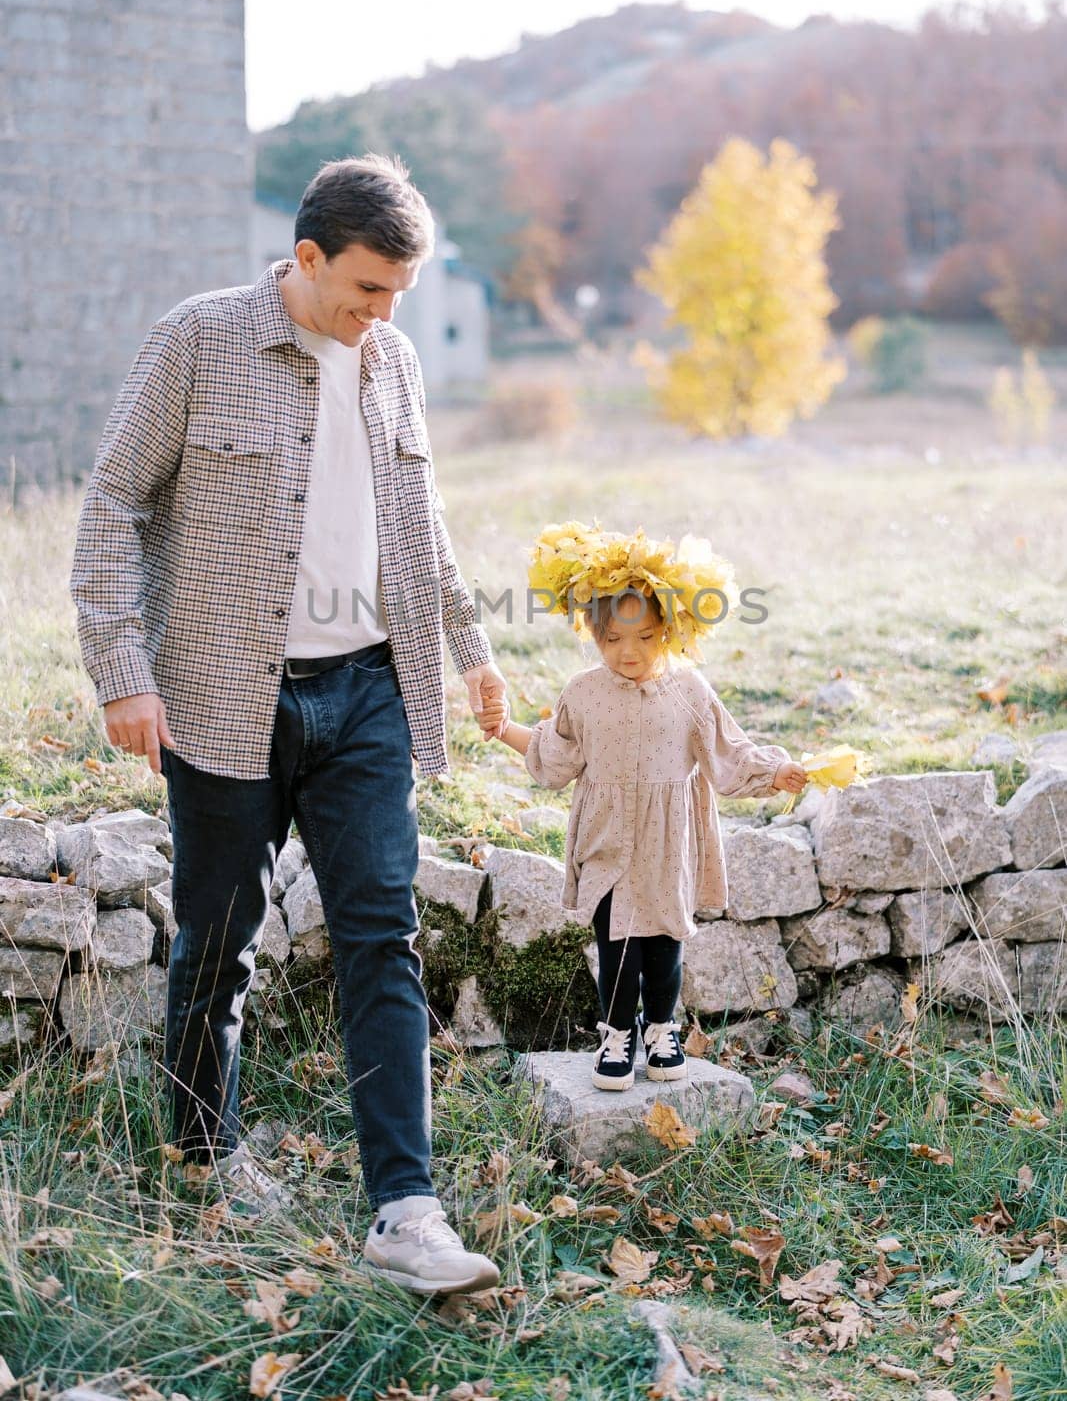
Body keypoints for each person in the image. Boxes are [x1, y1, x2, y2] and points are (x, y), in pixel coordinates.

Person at [69, 154, 508, 1295]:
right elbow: (112, 499)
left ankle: (405, 1209)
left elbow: (422, 522)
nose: (381, 318)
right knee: (217, 941)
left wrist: (471, 649)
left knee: (383, 933)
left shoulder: (395, 358)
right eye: (365, 291)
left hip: (365, 689)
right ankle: (201, 1155)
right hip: (223, 692)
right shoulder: (197, 341)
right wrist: (121, 669)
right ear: (306, 259)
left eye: (398, 297)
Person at [483, 521, 807, 1091]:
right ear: (593, 632)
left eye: (646, 637)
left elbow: (728, 754)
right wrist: (503, 728)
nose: (628, 652)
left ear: (673, 630)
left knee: (662, 947)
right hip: (607, 840)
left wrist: (774, 773)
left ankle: (661, 1028)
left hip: (667, 842)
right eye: (613, 640)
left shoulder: (690, 693)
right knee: (616, 948)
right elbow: (553, 757)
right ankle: (617, 1033)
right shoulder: (583, 693)